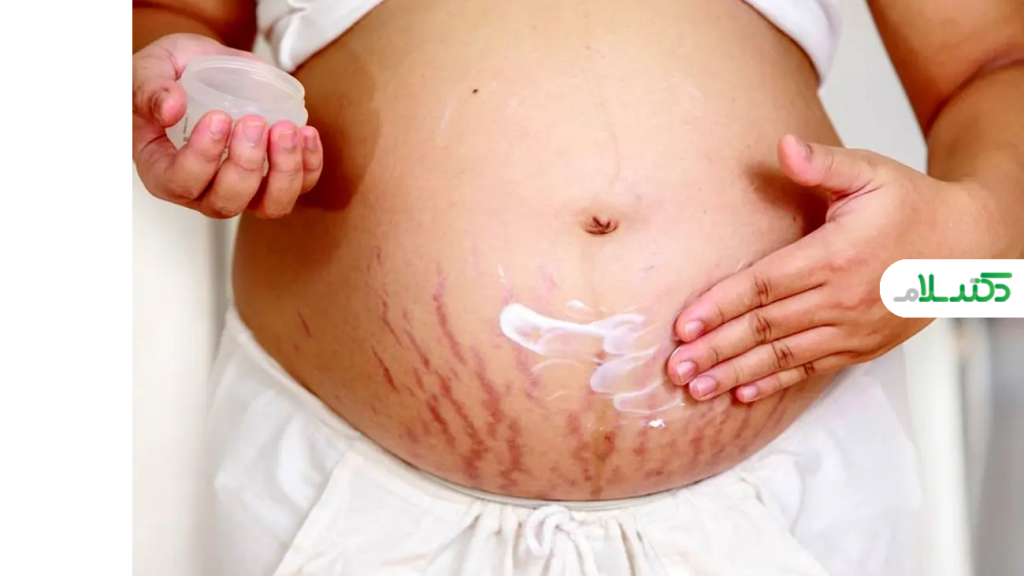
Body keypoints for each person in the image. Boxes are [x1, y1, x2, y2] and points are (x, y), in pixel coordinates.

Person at [131, 0, 1023, 574]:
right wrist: (168, 93)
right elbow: (167, 18)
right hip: (350, 500)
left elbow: (997, 71)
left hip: (778, 508)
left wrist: (945, 275)